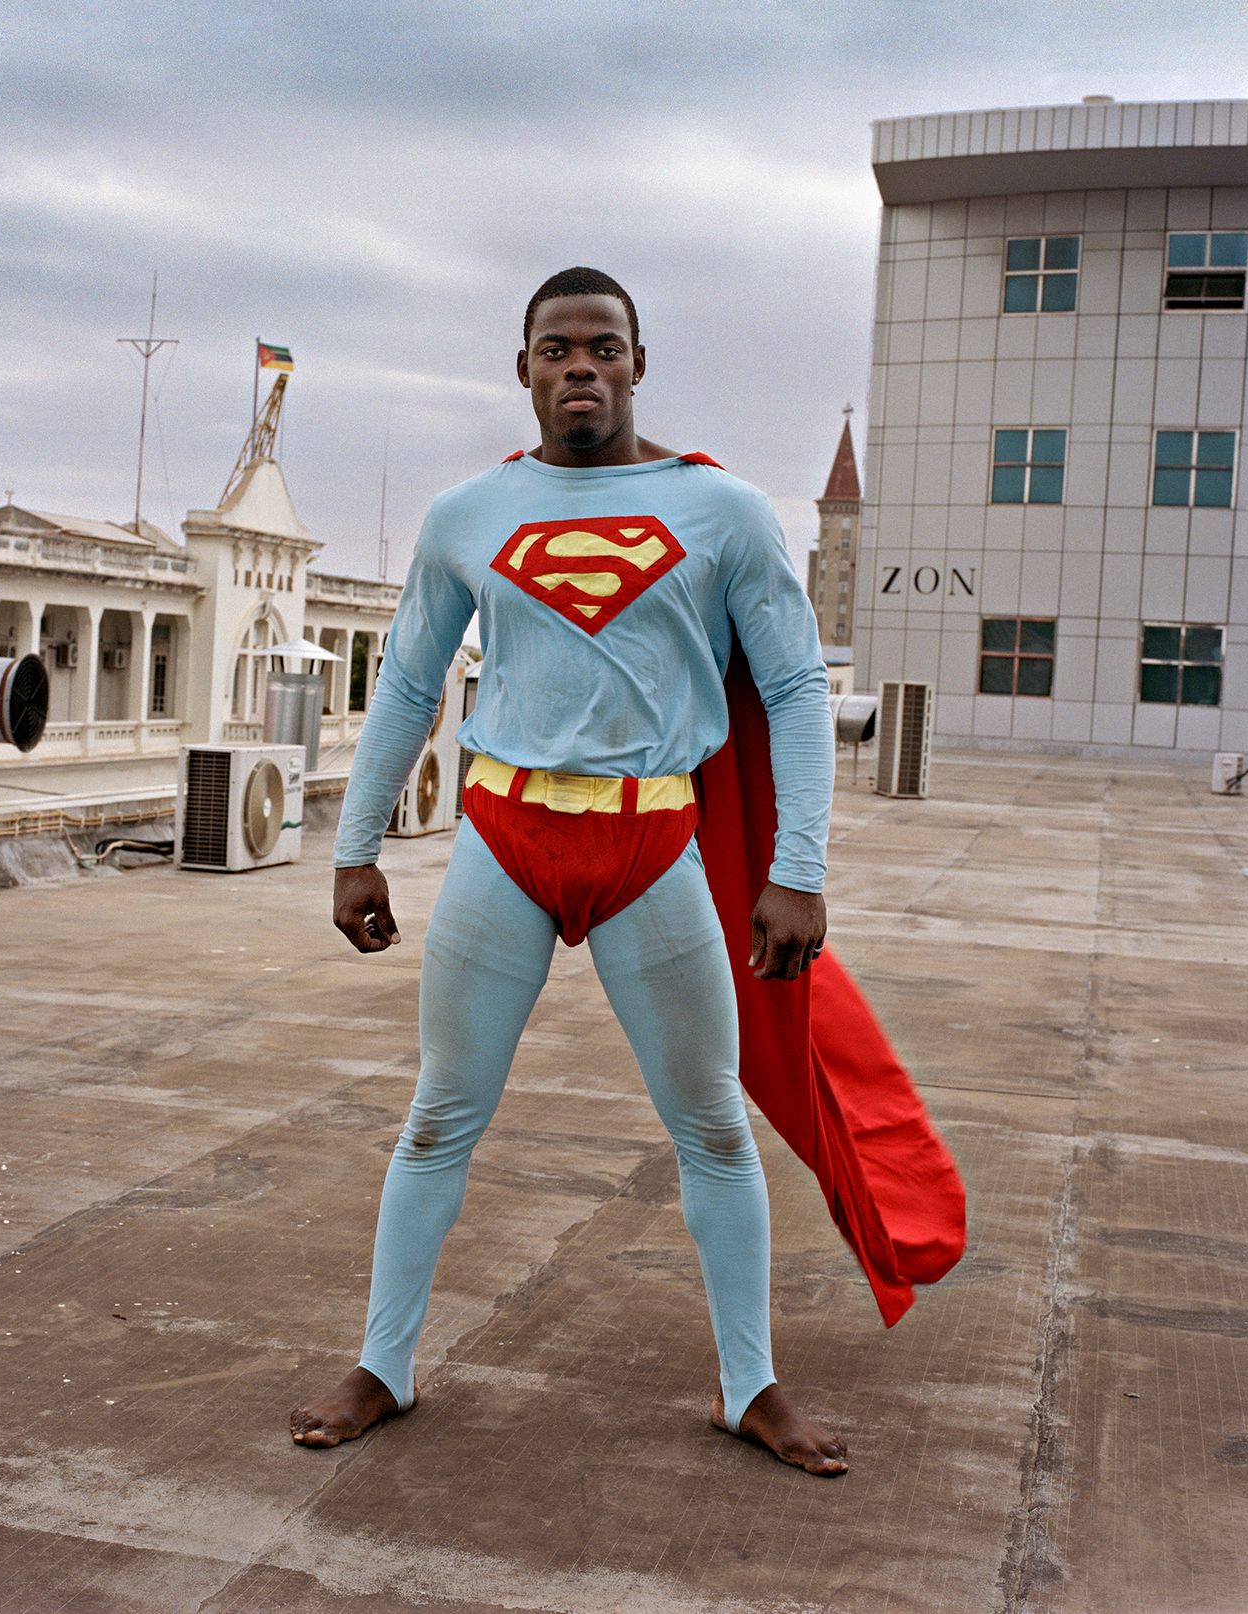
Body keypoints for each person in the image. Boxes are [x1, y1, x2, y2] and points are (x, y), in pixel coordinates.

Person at [289, 267, 848, 1475]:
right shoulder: (464, 516)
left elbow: (798, 689)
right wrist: (354, 846)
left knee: (709, 1125)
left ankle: (747, 1384)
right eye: (555, 349)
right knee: (441, 1115)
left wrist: (796, 865)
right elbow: (406, 683)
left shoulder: (728, 515)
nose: (579, 367)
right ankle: (385, 1363)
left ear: (637, 364)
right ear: (524, 369)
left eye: (603, 348)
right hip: (505, 837)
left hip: (654, 840)